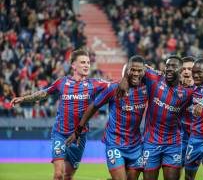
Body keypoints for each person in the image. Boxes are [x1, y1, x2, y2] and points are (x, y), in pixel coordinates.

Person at [11, 49, 109, 180]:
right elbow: (43, 93)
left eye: (88, 62)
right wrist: (24, 98)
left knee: (68, 176)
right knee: (58, 175)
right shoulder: (62, 82)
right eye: (83, 62)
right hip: (60, 134)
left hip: (79, 137)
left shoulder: (95, 84)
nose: (87, 65)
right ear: (73, 65)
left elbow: (116, 86)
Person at [66, 55, 147, 180]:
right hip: (115, 142)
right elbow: (93, 106)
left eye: (139, 71)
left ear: (144, 71)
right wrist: (78, 130)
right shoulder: (114, 88)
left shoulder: (147, 88)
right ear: (127, 71)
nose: (136, 73)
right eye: (132, 70)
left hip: (135, 145)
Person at [123, 56, 192, 180]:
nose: (169, 69)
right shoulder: (154, 78)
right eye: (168, 66)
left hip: (173, 143)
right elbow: (128, 66)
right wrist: (124, 78)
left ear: (181, 71)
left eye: (174, 66)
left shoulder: (188, 93)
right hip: (151, 142)